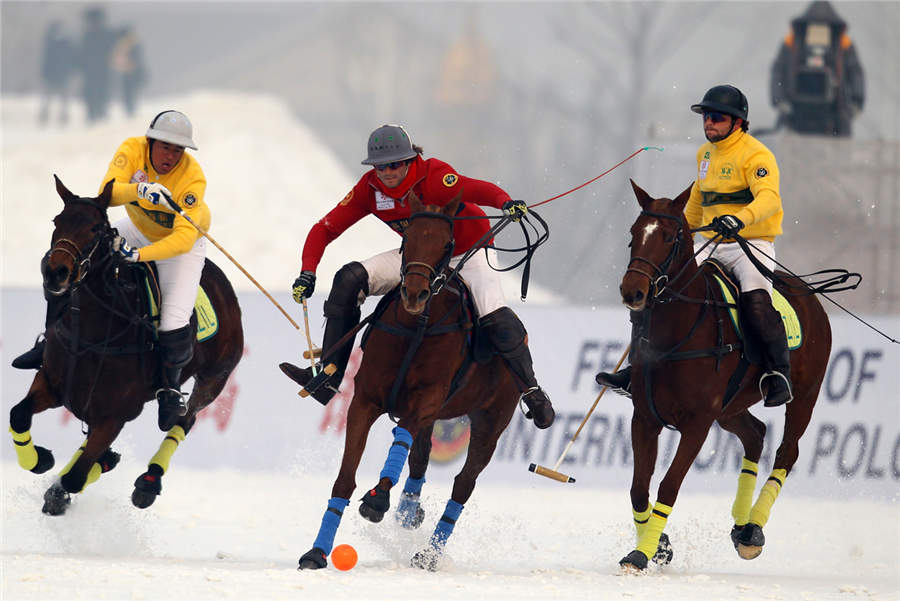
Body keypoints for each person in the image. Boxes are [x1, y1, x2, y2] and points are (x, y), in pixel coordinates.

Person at [279, 124, 555, 429]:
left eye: (395, 164)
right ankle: (328, 375)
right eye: (380, 166)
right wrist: (308, 270)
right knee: (349, 278)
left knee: (494, 315)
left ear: (411, 160)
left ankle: (532, 392)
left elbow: (478, 188)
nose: (386, 172)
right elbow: (325, 228)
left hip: (470, 250)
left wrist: (505, 202)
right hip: (420, 259)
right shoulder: (370, 189)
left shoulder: (435, 177)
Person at [596, 85, 793, 408]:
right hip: (712, 242)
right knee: (659, 289)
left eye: (716, 117)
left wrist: (739, 220)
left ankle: (777, 373)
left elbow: (769, 199)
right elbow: (697, 204)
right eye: (706, 117)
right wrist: (676, 232)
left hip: (751, 242)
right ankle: (636, 369)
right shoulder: (705, 155)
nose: (708, 123)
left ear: (737, 122)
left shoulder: (757, 155)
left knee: (756, 303)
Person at [12, 110, 209, 430]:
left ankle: (170, 389)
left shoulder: (192, 179)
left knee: (173, 321)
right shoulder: (131, 150)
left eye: (178, 150)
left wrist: (139, 254)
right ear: (150, 142)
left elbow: (183, 238)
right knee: (69, 263)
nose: (171, 156)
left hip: (178, 247)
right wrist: (141, 191)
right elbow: (108, 191)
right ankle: (48, 343)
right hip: (136, 225)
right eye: (165, 147)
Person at [770, 0, 865, 137]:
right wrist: (779, 100)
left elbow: (855, 72)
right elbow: (778, 70)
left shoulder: (843, 44)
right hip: (795, 112)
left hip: (834, 113)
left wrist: (856, 100)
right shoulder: (792, 42)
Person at [38, 21, 75, 126]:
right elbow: (46, 59)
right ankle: (44, 118)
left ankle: (63, 119)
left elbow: (71, 59)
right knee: (47, 99)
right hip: (52, 75)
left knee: (63, 100)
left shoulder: (66, 43)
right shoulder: (50, 42)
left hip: (62, 75)